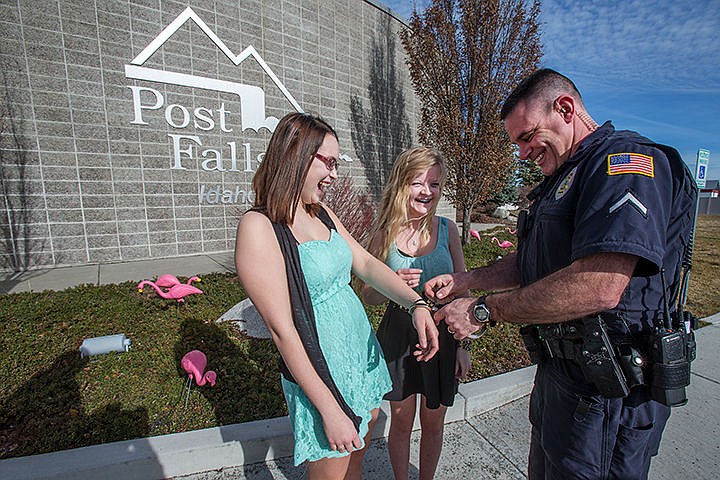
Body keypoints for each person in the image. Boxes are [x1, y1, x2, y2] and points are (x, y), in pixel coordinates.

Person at [424, 69, 697, 479]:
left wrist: (483, 311)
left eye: (526, 136)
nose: (521, 153)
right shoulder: (565, 176)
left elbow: (600, 285)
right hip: (564, 380)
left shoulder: (624, 164)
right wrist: (466, 281)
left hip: (608, 394)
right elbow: (533, 263)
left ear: (565, 109)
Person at [234, 112, 439, 480]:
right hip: (322, 372)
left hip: (360, 357)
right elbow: (283, 332)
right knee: (332, 469)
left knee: (355, 463)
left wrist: (417, 303)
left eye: (335, 163)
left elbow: (364, 263)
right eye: (326, 161)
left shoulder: (322, 213)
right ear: (295, 154)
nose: (333, 173)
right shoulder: (259, 227)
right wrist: (328, 408)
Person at [361, 147, 469, 480]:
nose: (427, 191)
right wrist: (390, 283)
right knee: (402, 421)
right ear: (401, 183)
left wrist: (464, 347)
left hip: (444, 333)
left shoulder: (448, 229)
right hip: (399, 334)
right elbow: (369, 295)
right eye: (417, 182)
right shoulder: (384, 232)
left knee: (433, 422)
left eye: (434, 184)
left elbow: (464, 289)